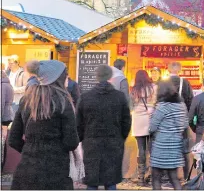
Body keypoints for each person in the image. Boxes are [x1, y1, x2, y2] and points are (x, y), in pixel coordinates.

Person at [8, 60, 79, 190]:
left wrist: (30, 149)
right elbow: (71, 142)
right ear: (58, 78)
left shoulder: (26, 100)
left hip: (27, 169)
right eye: (65, 75)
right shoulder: (63, 101)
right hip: (56, 171)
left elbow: (13, 139)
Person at [76, 65, 131, 190]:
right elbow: (126, 121)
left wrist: (81, 138)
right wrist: (121, 137)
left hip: (91, 142)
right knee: (111, 180)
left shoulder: (86, 97)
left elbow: (78, 123)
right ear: (110, 76)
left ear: (96, 77)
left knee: (92, 180)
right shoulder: (119, 97)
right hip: (114, 141)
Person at [149, 80, 188, 190]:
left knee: (156, 178)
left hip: (161, 147)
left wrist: (151, 113)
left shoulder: (162, 107)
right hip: (175, 146)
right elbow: (185, 124)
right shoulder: (182, 105)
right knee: (174, 178)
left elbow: (151, 127)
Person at [130, 69, 157, 186]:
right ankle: (151, 177)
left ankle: (141, 178)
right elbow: (157, 103)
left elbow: (130, 107)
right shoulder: (154, 88)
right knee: (152, 150)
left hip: (138, 121)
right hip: (151, 120)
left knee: (141, 149)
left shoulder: (133, 90)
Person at [167, 61, 193, 178]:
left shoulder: (162, 83)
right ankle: (186, 175)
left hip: (166, 120)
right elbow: (190, 100)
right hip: (181, 119)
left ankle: (169, 177)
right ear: (180, 70)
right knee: (184, 149)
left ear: (168, 70)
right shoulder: (185, 82)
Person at [1, 70, 14, 170]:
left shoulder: (2, 86)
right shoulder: (7, 84)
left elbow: (0, 104)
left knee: (2, 141)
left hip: (3, 116)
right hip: (7, 115)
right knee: (2, 141)